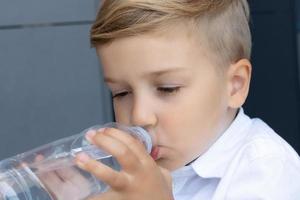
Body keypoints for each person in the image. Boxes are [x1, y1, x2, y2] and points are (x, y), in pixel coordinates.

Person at [72, 0, 300, 199]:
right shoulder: (137, 169)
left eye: (167, 88)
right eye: (121, 93)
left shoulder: (267, 171)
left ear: (235, 85)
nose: (139, 116)